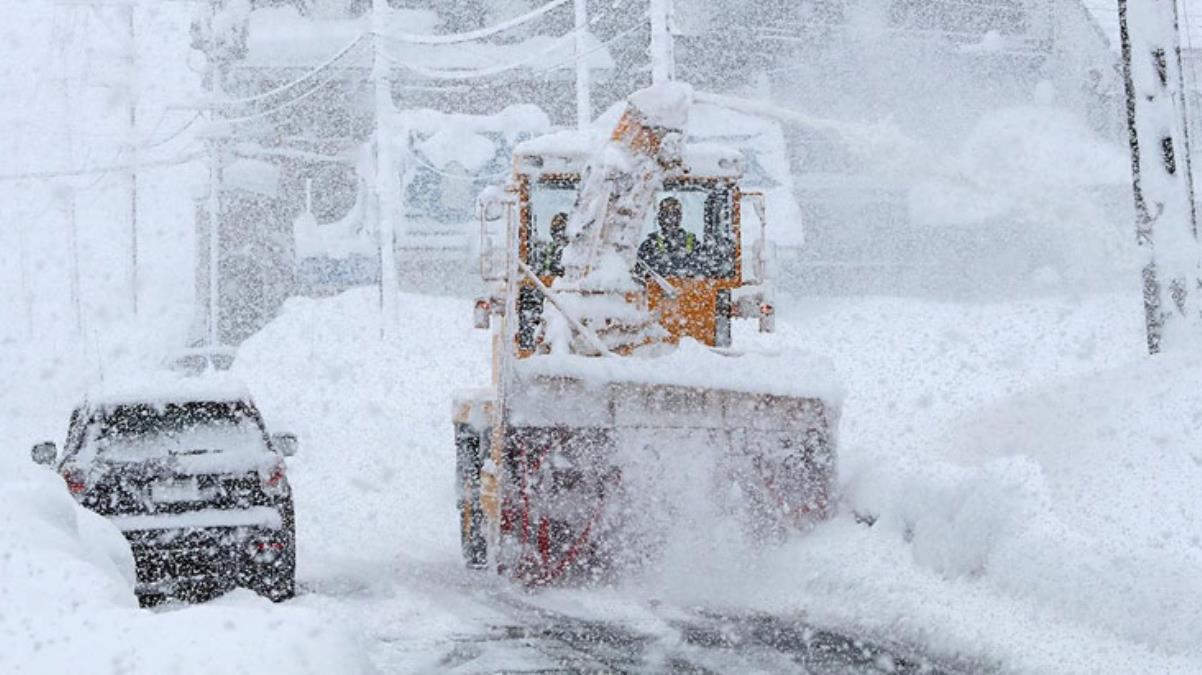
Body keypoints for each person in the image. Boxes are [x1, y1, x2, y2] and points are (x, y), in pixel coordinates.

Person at [638, 197, 697, 278]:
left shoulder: (694, 244)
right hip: (659, 290)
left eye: (674, 214)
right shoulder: (648, 247)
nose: (671, 218)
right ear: (660, 217)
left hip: (690, 290)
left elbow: (706, 274)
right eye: (666, 214)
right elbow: (639, 278)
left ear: (680, 217)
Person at [533, 212, 569, 277]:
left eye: (561, 229)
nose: (559, 234)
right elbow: (541, 267)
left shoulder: (569, 249)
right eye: (556, 229)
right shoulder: (549, 248)